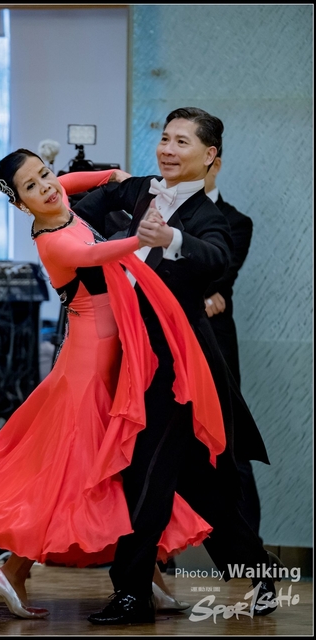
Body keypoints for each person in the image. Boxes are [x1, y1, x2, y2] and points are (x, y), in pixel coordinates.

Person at [0, 148, 228, 620]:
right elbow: (94, 253)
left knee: (124, 465)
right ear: (20, 204)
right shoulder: (52, 241)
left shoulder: (57, 195)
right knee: (77, 471)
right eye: (32, 187)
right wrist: (141, 238)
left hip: (114, 353)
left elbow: (81, 180)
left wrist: (116, 174)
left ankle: (146, 575)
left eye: (45, 174)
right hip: (88, 366)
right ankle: (14, 570)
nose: (47, 186)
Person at [73, 107, 280, 625]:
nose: (168, 149)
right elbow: (73, 209)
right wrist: (101, 181)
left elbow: (217, 258)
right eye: (165, 138)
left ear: (209, 156)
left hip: (177, 367)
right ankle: (261, 569)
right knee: (201, 485)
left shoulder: (211, 217)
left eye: (182, 142)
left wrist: (171, 240)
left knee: (145, 469)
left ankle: (131, 593)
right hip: (132, 356)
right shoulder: (138, 190)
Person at [203, 151, 262, 541]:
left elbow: (219, 276)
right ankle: (161, 557)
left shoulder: (236, 221)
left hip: (215, 343)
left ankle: (249, 552)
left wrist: (201, 289)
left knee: (230, 444)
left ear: (214, 160)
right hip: (161, 340)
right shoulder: (157, 212)